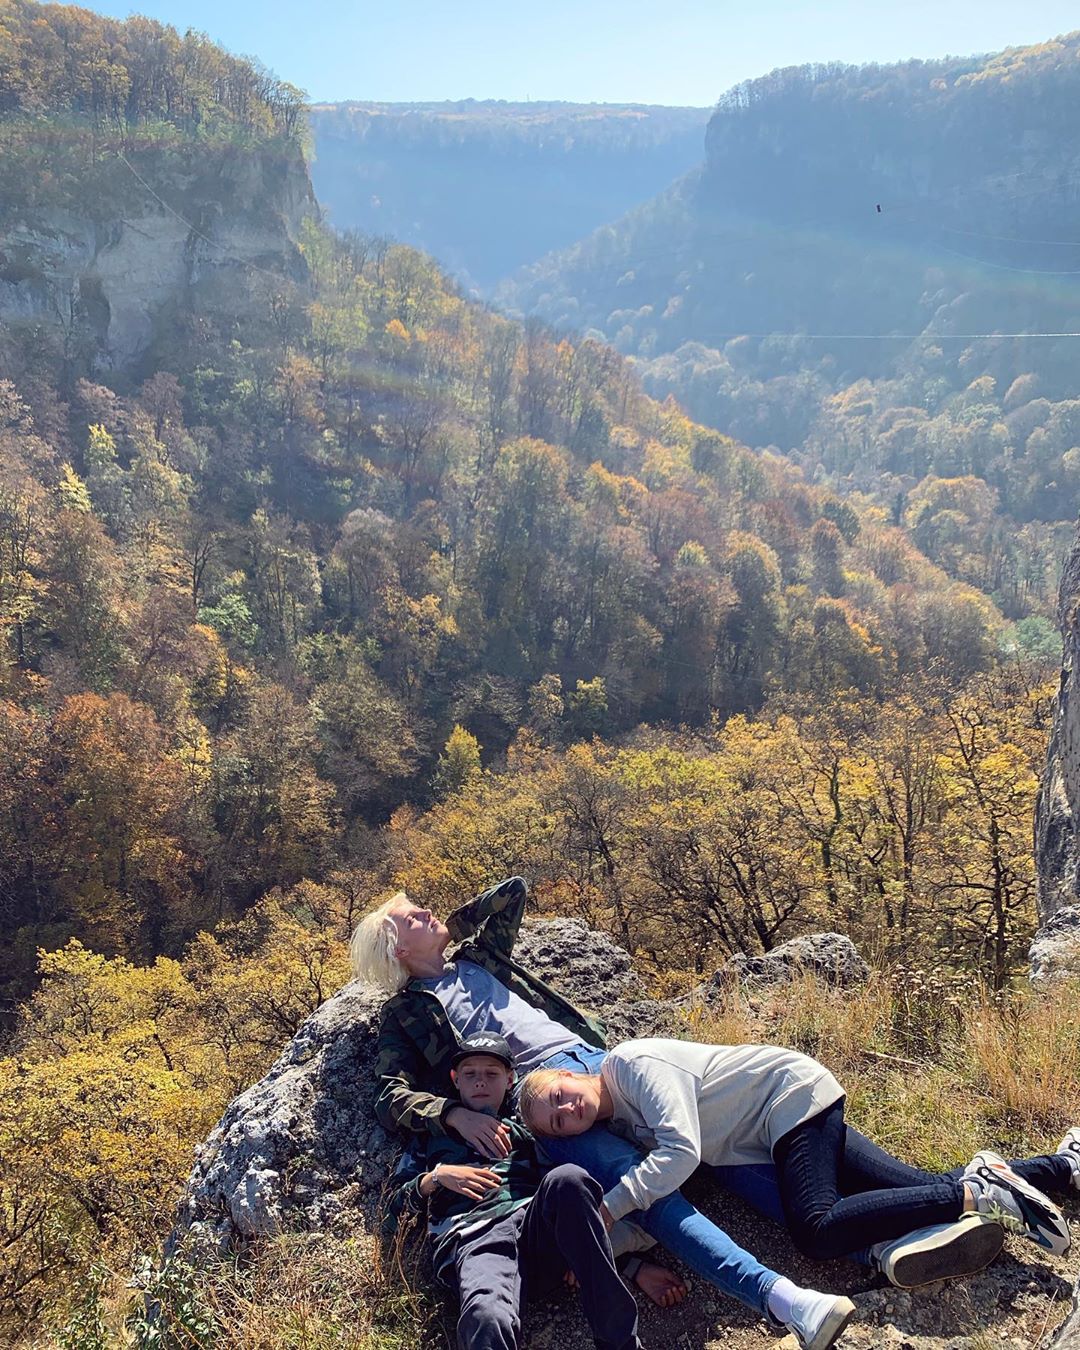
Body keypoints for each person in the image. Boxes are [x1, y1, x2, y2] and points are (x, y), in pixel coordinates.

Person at [353, 877, 993, 1348]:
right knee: (656, 1195)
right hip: (544, 1102)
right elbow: (389, 1096)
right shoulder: (406, 1013)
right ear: (394, 948)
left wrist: (441, 932)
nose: (429, 911)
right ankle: (787, 1300)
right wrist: (454, 1116)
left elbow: (510, 894)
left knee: (721, 1159)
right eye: (412, 917)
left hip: (592, 1060)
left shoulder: (477, 958)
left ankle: (881, 1249)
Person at [520, 1036, 1078, 1271]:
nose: (567, 1113)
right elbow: (676, 1179)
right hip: (778, 1123)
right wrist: (617, 1246)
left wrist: (610, 1207)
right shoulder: (620, 1119)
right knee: (909, 1184)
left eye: (559, 1098)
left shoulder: (632, 1065)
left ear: (572, 1072)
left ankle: (973, 1193)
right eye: (557, 1122)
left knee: (818, 1229)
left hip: (789, 1100)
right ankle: (1064, 1165)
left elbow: (683, 1151)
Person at [387, 1031, 642, 1350]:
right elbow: (392, 1208)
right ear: (455, 1079)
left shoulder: (529, 1129)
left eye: (491, 1073)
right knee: (487, 1314)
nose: (480, 1081)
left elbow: (578, 1210)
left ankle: (619, 1343)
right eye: (470, 1074)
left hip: (536, 1233)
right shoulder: (431, 1138)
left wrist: (635, 1266)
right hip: (477, 1240)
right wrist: (436, 1178)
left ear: (510, 1079)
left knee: (569, 1179)